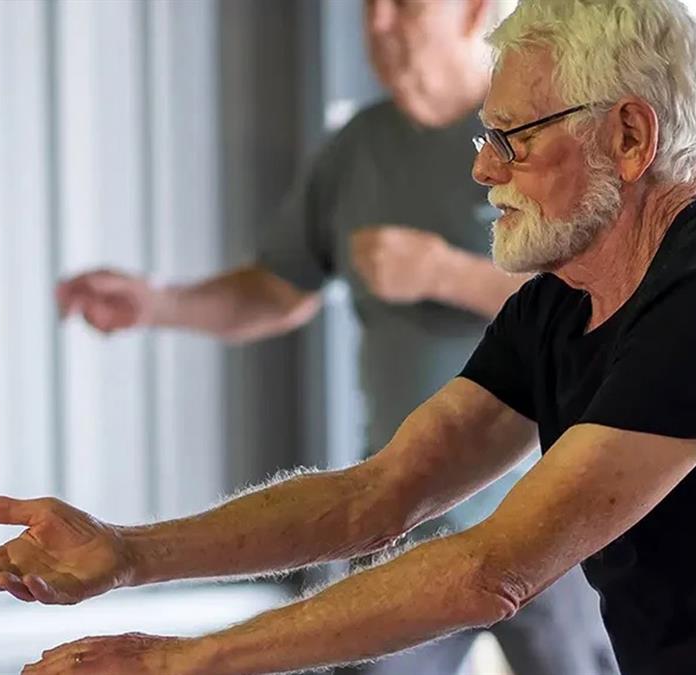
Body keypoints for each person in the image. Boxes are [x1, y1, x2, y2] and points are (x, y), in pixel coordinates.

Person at [0, 0, 696, 673]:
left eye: (515, 139)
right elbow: (378, 497)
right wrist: (128, 554)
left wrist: (178, 661)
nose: (485, 172)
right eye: (488, 138)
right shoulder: (562, 301)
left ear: (632, 139)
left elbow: (492, 572)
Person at [42, 1, 616, 674]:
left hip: (550, 510)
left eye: (403, 4)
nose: (377, 23)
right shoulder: (355, 150)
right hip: (401, 510)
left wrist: (442, 271)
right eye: (368, 6)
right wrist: (156, 303)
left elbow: (602, 299)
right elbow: (277, 289)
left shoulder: (542, 137)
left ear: (472, 12)